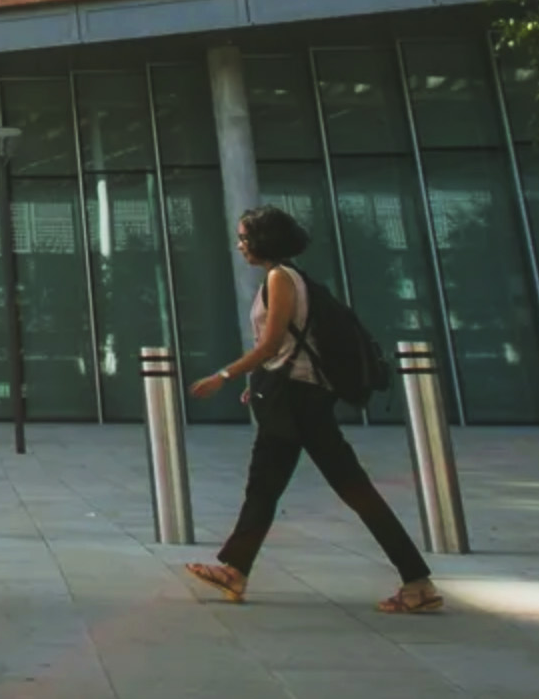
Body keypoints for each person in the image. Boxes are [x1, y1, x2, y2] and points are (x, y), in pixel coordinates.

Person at [184, 207, 441, 615]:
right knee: (278, 486)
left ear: (265, 240)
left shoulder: (280, 279)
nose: (239, 244)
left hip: (297, 401)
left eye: (245, 237)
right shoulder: (289, 278)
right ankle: (235, 568)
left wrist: (224, 375)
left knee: (326, 488)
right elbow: (287, 350)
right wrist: (261, 383)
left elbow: (270, 345)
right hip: (293, 397)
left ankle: (416, 581)